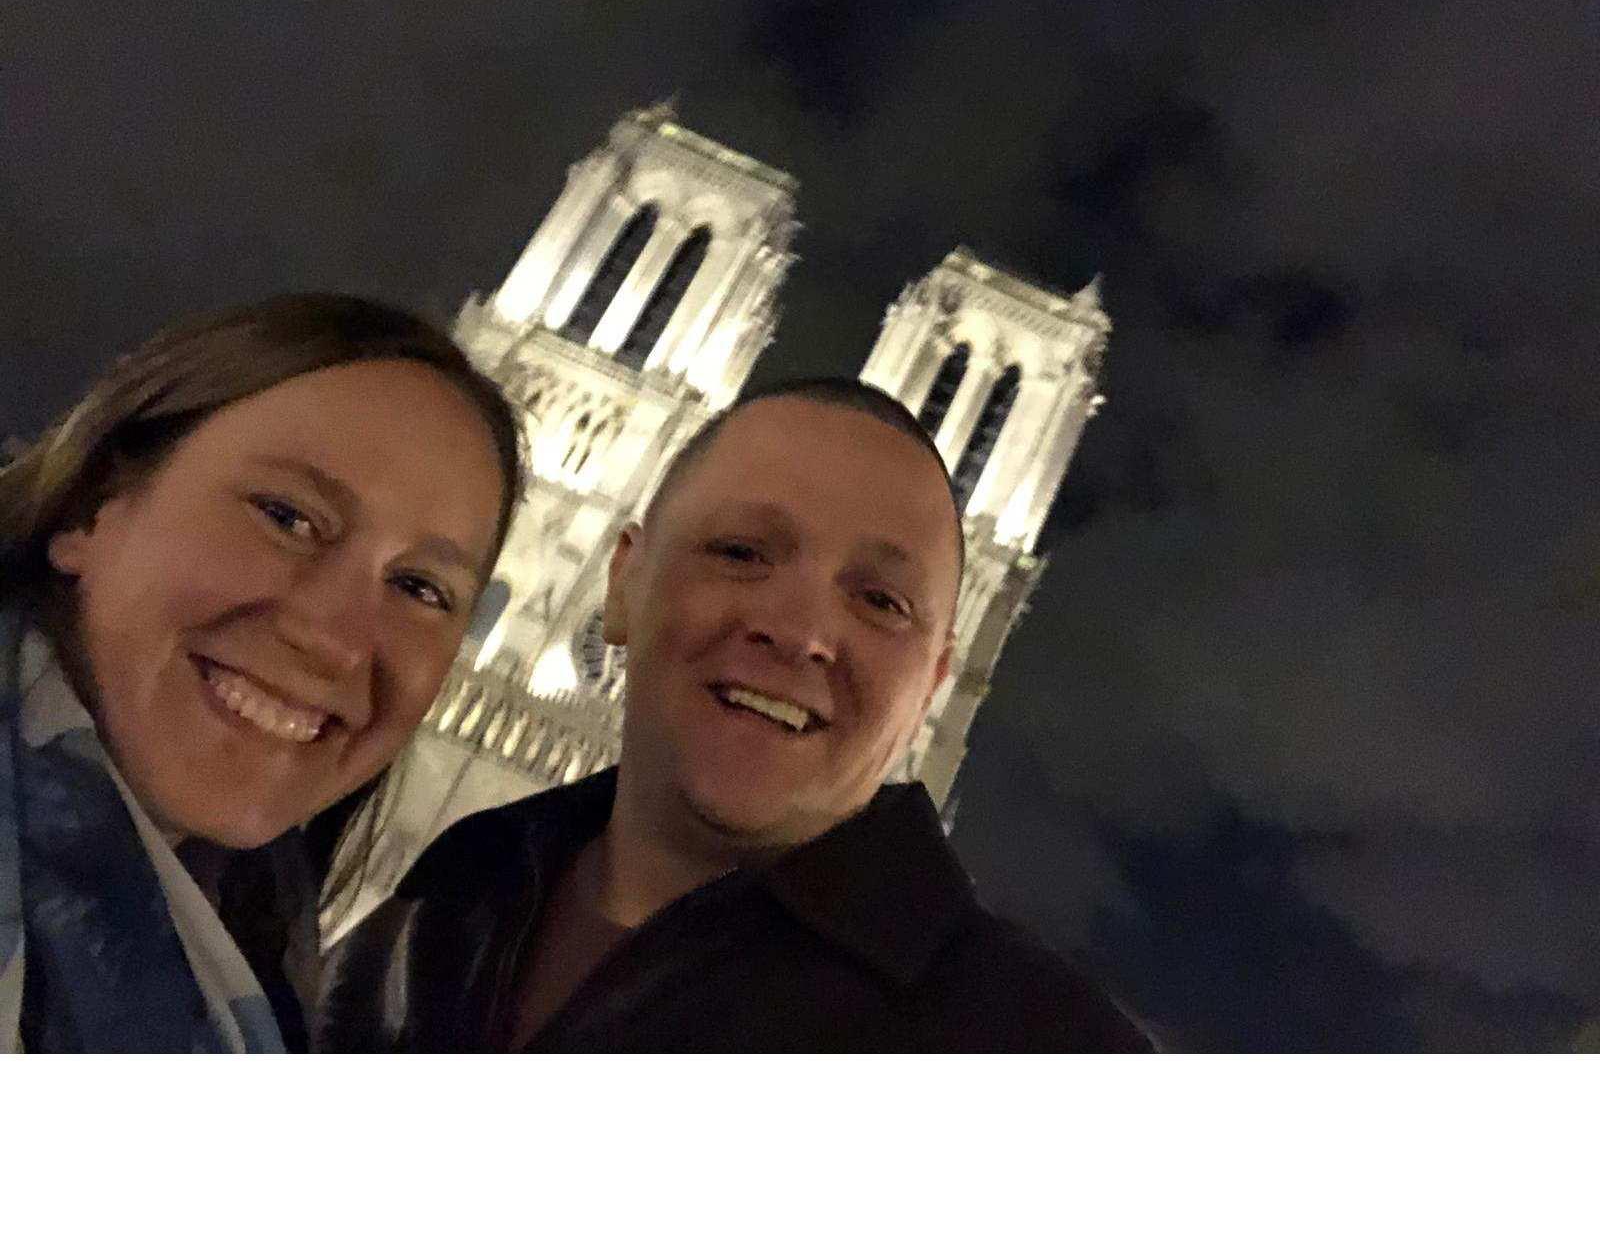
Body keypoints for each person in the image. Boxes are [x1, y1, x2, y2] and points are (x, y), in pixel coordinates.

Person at [316, 378, 1149, 1051]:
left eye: (881, 600)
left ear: (933, 683)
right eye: (742, 552)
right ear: (623, 584)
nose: (799, 633)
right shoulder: (459, 882)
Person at [0, 294, 522, 1051]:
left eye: (420, 588)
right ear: (92, 508)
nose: (336, 640)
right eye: (287, 517)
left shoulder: (249, 954)